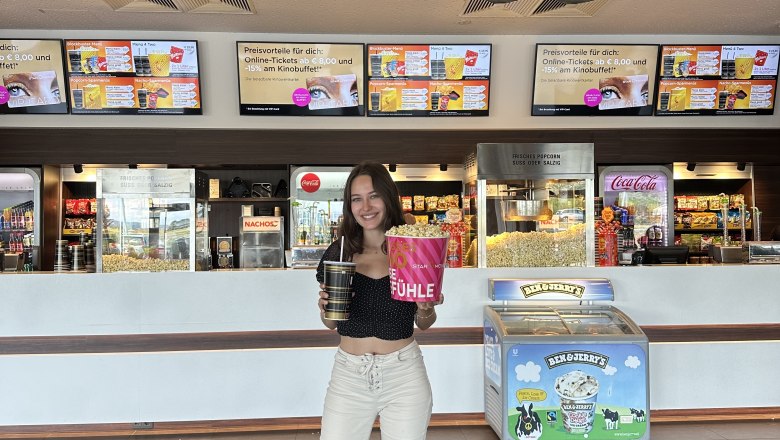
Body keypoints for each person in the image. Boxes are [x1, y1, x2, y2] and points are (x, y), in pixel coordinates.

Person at [316, 161, 442, 440]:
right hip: (349, 375)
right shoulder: (340, 252)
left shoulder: (413, 248)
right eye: (356, 199)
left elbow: (424, 323)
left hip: (404, 375)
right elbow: (330, 323)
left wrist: (426, 308)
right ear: (349, 205)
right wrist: (325, 308)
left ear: (387, 196)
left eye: (374, 196)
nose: (366, 207)